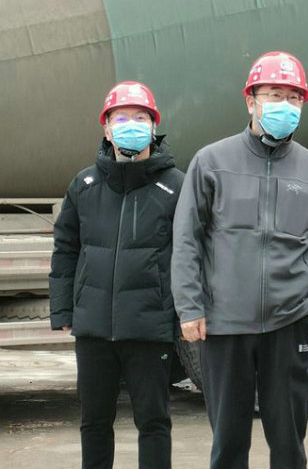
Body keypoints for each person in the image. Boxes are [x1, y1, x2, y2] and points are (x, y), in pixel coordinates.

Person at [171, 51, 308, 469]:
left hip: (289, 328)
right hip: (225, 328)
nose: (284, 105)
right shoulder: (211, 163)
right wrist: (190, 307)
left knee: (289, 446)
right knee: (228, 444)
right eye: (273, 94)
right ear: (250, 100)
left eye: (293, 97)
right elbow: (187, 240)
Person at [49, 82, 184, 469]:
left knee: (153, 422)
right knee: (94, 422)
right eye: (121, 118)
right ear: (106, 129)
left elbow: (192, 255)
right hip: (93, 329)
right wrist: (63, 310)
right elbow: (66, 249)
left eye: (140, 117)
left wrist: (183, 314)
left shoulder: (176, 186)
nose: (131, 125)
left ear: (154, 126)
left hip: (149, 328)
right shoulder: (84, 185)